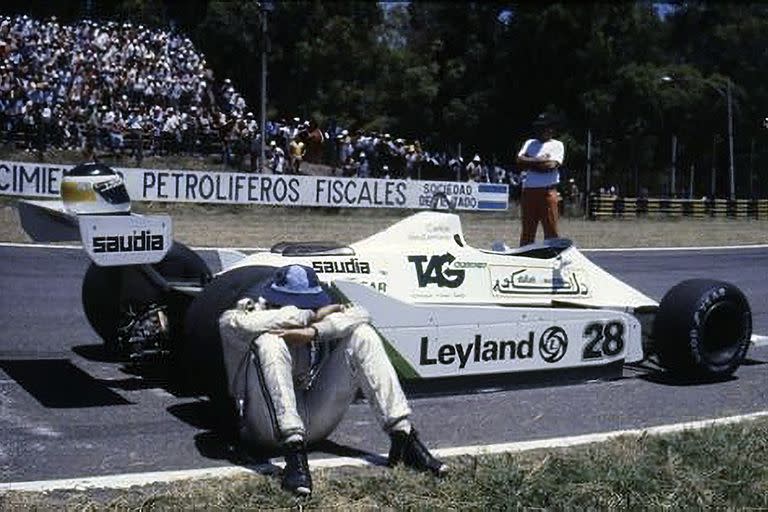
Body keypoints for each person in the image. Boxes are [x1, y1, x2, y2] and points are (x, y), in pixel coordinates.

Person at [219, 264, 448, 496]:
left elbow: (361, 313)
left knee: (363, 334)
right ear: (273, 298)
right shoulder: (246, 314)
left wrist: (314, 331)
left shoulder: (317, 317)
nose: (302, 307)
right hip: (261, 427)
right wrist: (308, 316)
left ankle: (404, 438)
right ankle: (294, 458)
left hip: (312, 420)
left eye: (308, 302)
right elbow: (233, 323)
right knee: (269, 342)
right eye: (292, 301)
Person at [516, 112, 565, 246]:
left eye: (544, 127)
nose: (540, 130)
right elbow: (519, 160)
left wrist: (530, 164)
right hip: (529, 191)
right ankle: (525, 256)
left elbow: (551, 165)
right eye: (538, 127)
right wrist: (539, 160)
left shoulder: (557, 145)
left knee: (551, 229)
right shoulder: (530, 143)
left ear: (551, 129)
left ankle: (552, 256)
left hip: (547, 191)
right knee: (527, 230)